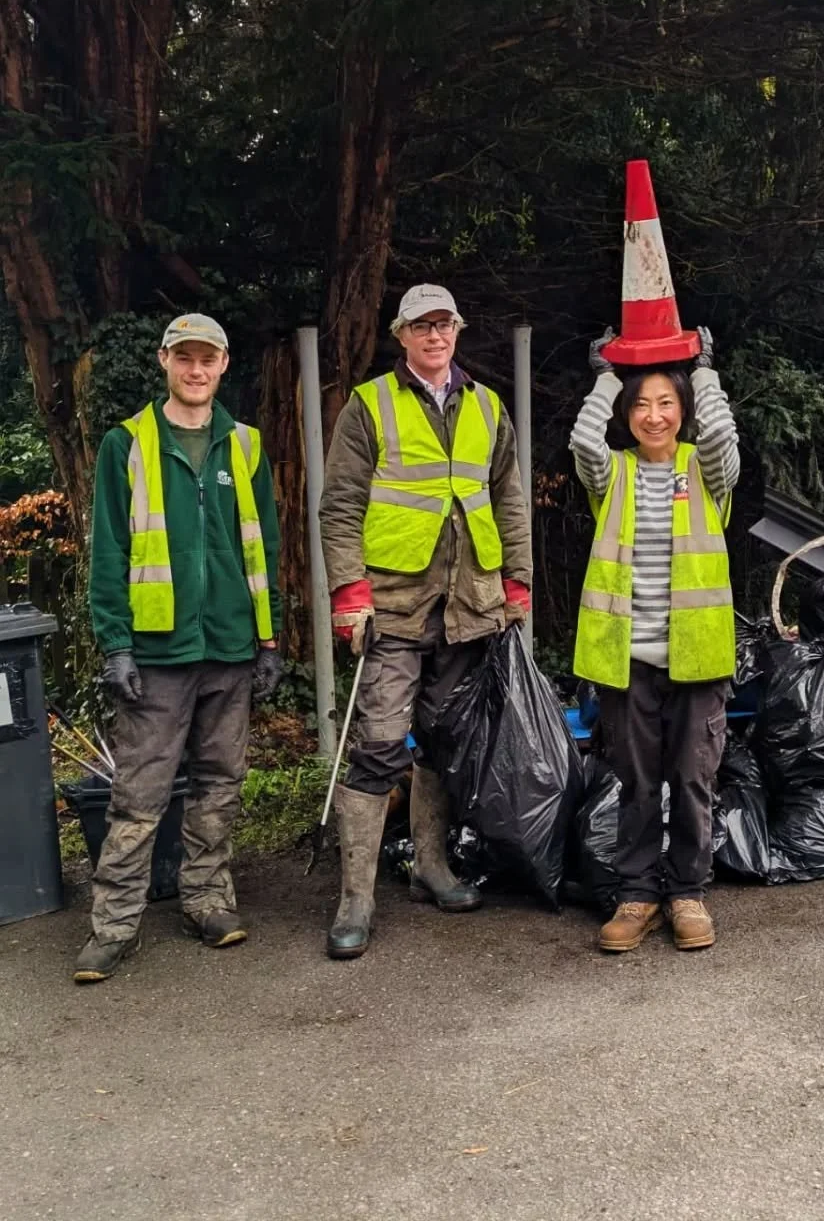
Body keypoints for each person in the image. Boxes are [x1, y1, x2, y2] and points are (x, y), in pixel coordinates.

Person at [318, 284, 532, 959]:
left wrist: (517, 585)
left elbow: (509, 498)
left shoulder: (487, 406)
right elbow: (340, 505)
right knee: (380, 745)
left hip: (468, 607)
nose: (435, 335)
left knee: (442, 741)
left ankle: (430, 868)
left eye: (444, 324)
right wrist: (349, 593)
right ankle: (355, 900)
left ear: (458, 330)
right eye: (422, 326)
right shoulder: (370, 404)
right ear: (402, 334)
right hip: (393, 605)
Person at [76, 314, 283, 983]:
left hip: (230, 645)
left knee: (220, 784)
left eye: (208, 359)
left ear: (223, 365)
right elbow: (109, 551)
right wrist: (116, 645)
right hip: (157, 654)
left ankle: (207, 902)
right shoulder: (127, 444)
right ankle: (113, 926)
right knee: (140, 794)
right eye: (185, 357)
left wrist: (269, 639)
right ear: (164, 360)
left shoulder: (245, 445)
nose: (197, 370)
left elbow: (265, 547)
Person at [570, 326, 739, 952]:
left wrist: (705, 372)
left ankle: (688, 893)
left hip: (698, 657)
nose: (654, 415)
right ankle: (637, 895)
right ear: (627, 413)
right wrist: (605, 377)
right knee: (637, 784)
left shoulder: (705, 470)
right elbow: (584, 441)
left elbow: (720, 436)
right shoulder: (611, 473)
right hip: (628, 657)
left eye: (666, 402)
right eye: (641, 404)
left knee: (694, 781)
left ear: (683, 410)